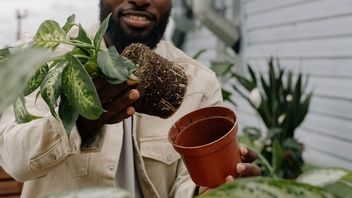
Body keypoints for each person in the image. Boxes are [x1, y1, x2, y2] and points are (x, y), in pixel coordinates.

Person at [0, 0, 260, 197]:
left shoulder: (197, 81)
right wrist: (79, 121)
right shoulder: (51, 59)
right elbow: (15, 159)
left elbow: (187, 183)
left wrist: (207, 189)